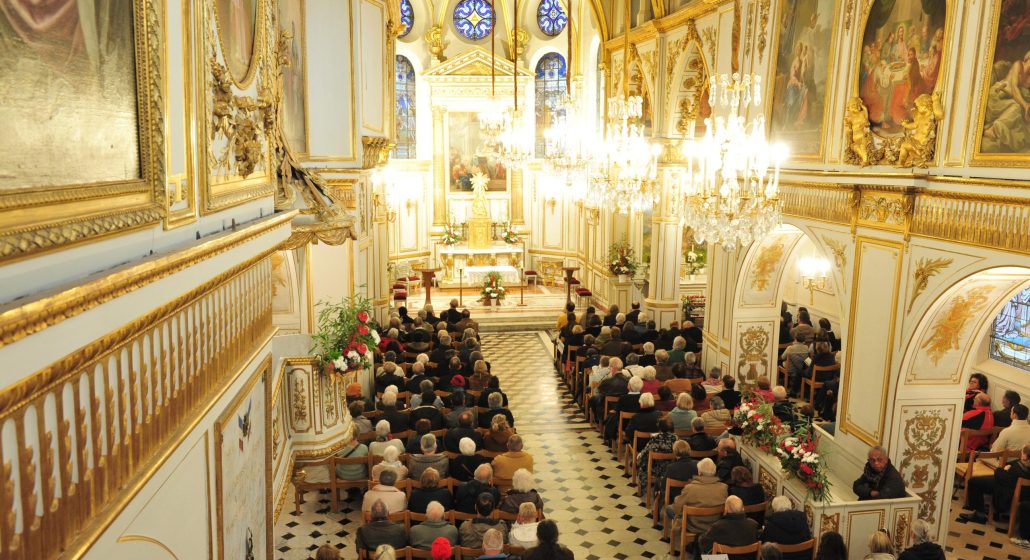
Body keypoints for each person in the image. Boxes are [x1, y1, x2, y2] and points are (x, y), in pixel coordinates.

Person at [960, 443, 1030, 524]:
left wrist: (1002, 469)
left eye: (1022, 452)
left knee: (973, 482)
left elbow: (1000, 476)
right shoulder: (1022, 466)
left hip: (1007, 491)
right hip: (1024, 494)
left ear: (1025, 456)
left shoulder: (1016, 470)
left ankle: (979, 515)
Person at [667, 458, 728, 537]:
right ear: (715, 472)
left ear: (699, 472)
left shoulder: (690, 488)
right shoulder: (723, 488)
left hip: (693, 526)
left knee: (669, 508)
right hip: (714, 525)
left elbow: (677, 508)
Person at [637, 417, 678, 491]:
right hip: (670, 469)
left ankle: (642, 486)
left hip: (654, 469)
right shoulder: (676, 439)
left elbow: (644, 452)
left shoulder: (655, 438)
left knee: (643, 459)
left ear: (660, 427)